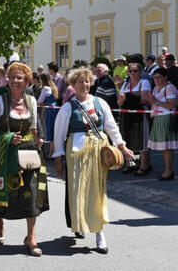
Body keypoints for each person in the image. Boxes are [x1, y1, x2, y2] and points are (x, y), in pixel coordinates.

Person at [53, 67, 133, 254]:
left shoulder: (100, 103)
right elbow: (59, 133)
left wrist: (122, 146)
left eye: (87, 81)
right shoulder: (67, 107)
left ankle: (99, 232)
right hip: (77, 151)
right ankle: (79, 224)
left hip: (98, 150)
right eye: (80, 81)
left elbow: (112, 127)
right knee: (77, 190)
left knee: (97, 191)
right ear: (73, 85)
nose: (85, 84)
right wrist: (58, 156)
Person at [0, 62, 48, 257]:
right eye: (12, 77)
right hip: (6, 153)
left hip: (29, 153)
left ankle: (31, 237)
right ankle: (0, 222)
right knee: (7, 194)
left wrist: (39, 137)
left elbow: (34, 125)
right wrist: (7, 138)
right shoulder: (0, 101)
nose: (16, 81)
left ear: (27, 81)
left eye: (20, 78)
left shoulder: (31, 101)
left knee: (32, 195)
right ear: (7, 80)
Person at [118, 62, 152, 175]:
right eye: (130, 71)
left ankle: (144, 165)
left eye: (135, 71)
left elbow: (144, 100)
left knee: (142, 139)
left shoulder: (144, 82)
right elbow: (119, 102)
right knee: (128, 138)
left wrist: (125, 99)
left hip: (140, 114)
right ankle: (130, 163)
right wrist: (123, 100)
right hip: (126, 114)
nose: (132, 73)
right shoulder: (126, 84)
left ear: (140, 72)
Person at [148, 68, 178, 180]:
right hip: (158, 118)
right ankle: (167, 171)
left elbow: (171, 105)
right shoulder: (156, 88)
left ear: (165, 77)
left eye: (159, 77)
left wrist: (156, 102)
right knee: (164, 147)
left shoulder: (170, 88)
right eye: (154, 77)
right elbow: (154, 102)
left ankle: (168, 171)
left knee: (167, 147)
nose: (156, 80)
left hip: (166, 118)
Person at [38, 73, 59, 159]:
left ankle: (51, 153)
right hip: (54, 109)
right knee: (54, 130)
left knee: (50, 130)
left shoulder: (46, 88)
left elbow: (39, 101)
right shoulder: (53, 87)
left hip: (49, 111)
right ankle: (52, 152)